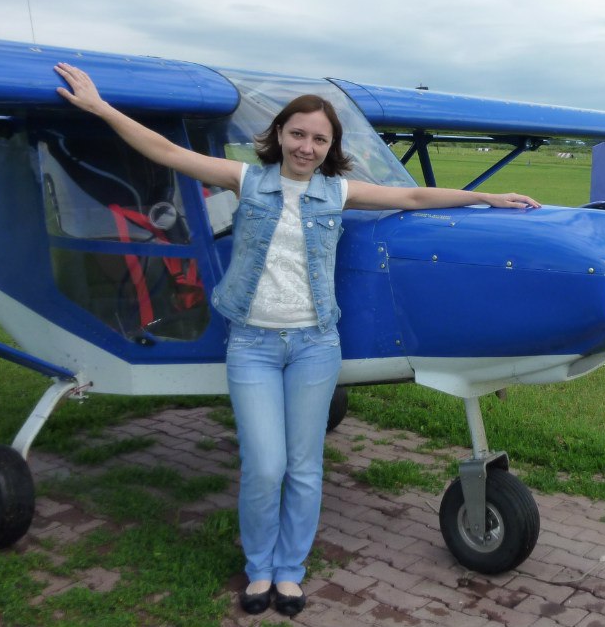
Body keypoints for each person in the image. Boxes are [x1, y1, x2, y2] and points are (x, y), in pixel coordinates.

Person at [54, 63, 539, 618]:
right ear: (279, 134)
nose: (307, 147)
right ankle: (258, 568)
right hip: (253, 346)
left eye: (319, 139)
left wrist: (488, 198)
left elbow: (411, 196)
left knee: (304, 468)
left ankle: (289, 572)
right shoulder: (247, 180)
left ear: (331, 147)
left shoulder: (336, 192)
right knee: (265, 466)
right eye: (298, 134)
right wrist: (100, 107)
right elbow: (166, 152)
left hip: (314, 346)